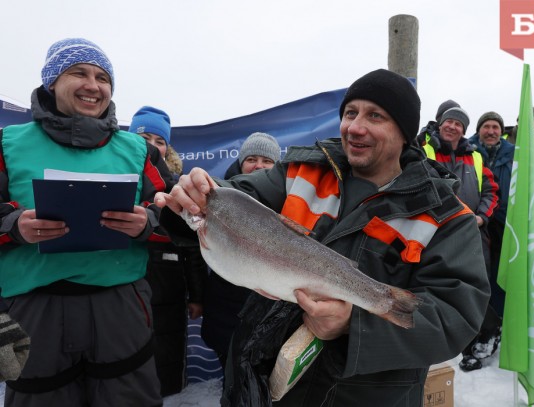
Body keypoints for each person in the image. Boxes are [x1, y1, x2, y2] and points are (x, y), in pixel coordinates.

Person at [156, 69, 490, 407]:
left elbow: (457, 316)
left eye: (375, 116)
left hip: (365, 396)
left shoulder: (447, 216)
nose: (355, 126)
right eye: (350, 113)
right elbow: (235, 198)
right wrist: (193, 198)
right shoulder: (301, 172)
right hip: (262, 384)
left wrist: (353, 326)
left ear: (404, 132)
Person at [0, 38, 174, 406]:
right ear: (51, 82)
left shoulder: (139, 150)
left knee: (129, 397)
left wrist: (147, 223)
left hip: (120, 307)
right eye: (78, 72)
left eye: (102, 77)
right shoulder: (7, 144)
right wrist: (13, 226)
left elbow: (178, 216)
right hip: (34, 310)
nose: (93, 85)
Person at [129, 106, 206, 397]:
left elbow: (195, 249)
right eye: (144, 137)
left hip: (171, 289)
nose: (152, 146)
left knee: (169, 356)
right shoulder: (118, 176)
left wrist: (197, 296)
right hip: (128, 287)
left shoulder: (181, 187)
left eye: (159, 141)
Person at [421, 107, 500, 371]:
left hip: (474, 234)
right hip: (436, 233)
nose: (452, 126)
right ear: (440, 124)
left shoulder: (476, 157)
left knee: (476, 286)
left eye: (458, 123)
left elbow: (491, 192)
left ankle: (485, 335)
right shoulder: (425, 149)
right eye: (448, 122)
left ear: (464, 130)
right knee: (444, 285)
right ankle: (457, 340)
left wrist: (481, 218)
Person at [200, 131, 281, 370]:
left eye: (267, 161)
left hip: (272, 309)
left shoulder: (292, 200)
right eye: (252, 159)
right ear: (240, 162)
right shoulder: (215, 197)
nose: (259, 166)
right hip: (226, 308)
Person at [468, 112, 514, 342]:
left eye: (495, 126)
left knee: (500, 275)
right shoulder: (468, 150)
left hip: (505, 224)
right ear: (479, 130)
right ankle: (479, 326)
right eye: (486, 126)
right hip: (477, 224)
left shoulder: (514, 154)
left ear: (501, 131)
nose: (491, 131)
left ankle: (498, 322)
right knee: (478, 276)